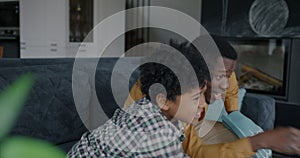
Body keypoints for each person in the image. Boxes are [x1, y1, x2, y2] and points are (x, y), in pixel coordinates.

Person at [124, 38, 300, 157]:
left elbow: (197, 151)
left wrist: (257, 141)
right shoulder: (150, 109)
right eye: (220, 77)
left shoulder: (184, 110)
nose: (225, 85)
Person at [67, 45, 208, 157]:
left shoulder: (146, 106)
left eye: (203, 95)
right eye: (196, 97)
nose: (203, 103)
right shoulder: (156, 135)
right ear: (164, 101)